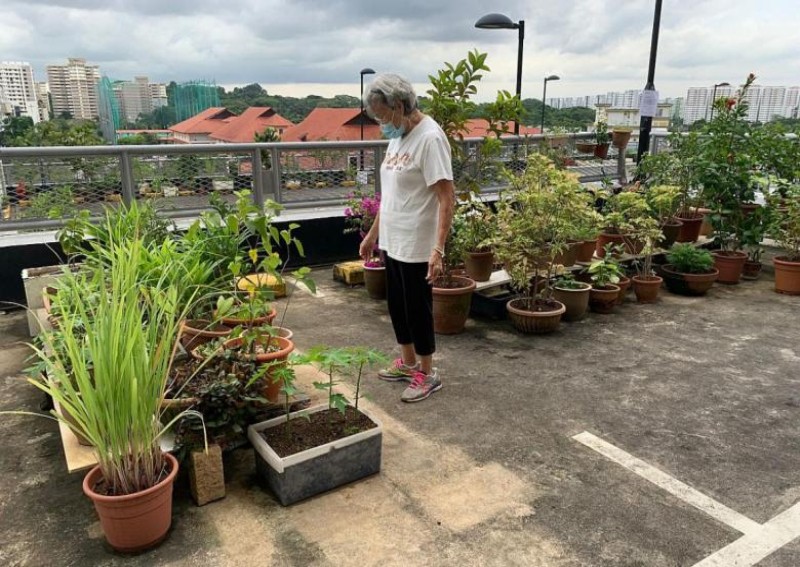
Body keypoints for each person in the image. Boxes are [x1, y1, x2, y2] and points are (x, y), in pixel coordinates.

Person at [360, 73, 455, 403]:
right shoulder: (397, 137)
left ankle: (428, 374)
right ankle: (409, 363)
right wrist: (373, 234)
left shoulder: (430, 138)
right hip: (393, 239)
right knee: (397, 305)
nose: (381, 124)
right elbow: (390, 195)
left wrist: (438, 248)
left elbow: (446, 197)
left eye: (382, 116)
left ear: (398, 106)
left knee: (417, 307)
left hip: (417, 241)